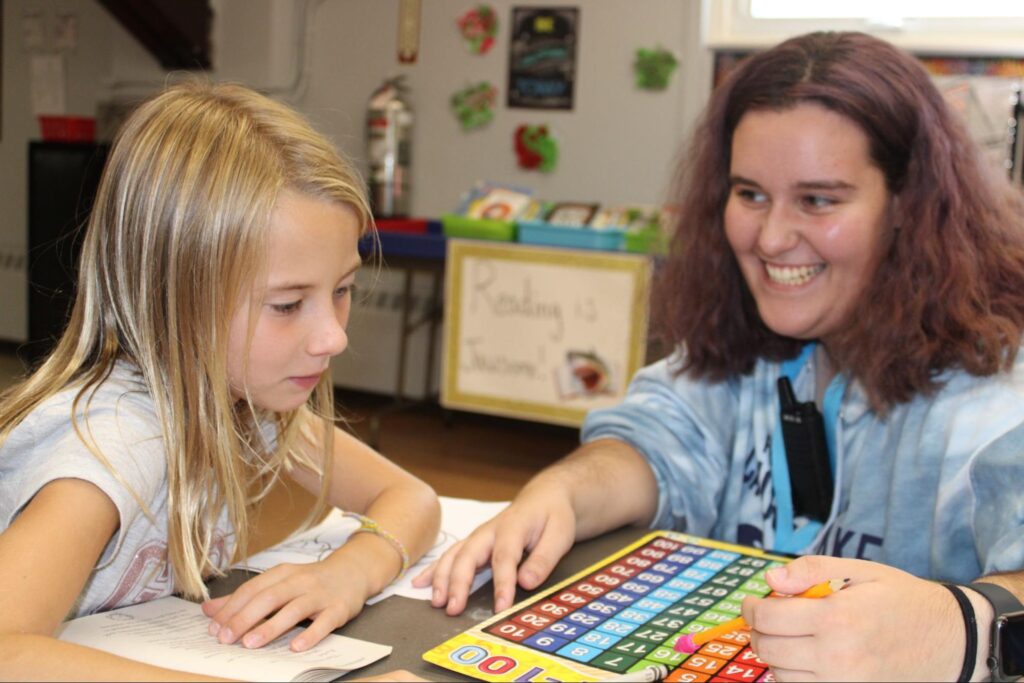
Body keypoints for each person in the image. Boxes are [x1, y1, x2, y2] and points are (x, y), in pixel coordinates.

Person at [415, 31, 1024, 681]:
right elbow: (652, 445)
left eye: (818, 200)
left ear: (907, 203)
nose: (771, 238)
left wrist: (961, 627)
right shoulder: (745, 338)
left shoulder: (994, 391)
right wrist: (561, 491)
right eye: (750, 194)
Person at [0, 80, 439, 680]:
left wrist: (350, 571)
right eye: (288, 305)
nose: (333, 337)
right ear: (175, 299)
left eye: (342, 290)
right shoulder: (113, 444)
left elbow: (412, 498)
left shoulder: (243, 403)